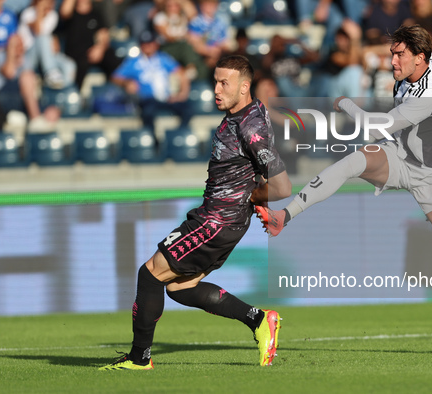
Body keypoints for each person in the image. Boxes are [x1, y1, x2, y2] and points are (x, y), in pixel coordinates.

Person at [256, 25, 432, 355]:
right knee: (353, 161)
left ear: (419, 59)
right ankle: (284, 215)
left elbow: (373, 125)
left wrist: (347, 104)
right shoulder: (423, 61)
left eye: (398, 55)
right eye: (392, 52)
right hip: (400, 156)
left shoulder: (430, 94)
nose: (392, 60)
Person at [99, 55, 292, 370]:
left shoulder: (250, 126)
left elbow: (282, 185)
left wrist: (255, 196)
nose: (215, 89)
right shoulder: (243, 114)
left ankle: (139, 358)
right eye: (214, 81)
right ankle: (258, 320)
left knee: (149, 275)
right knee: (179, 286)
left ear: (244, 87)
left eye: (223, 83)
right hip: (218, 217)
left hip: (218, 220)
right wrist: (256, 199)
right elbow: (254, 171)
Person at [111, 30, 191, 135]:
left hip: (167, 98)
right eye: (145, 44)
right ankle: (153, 140)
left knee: (188, 109)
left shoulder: (163, 59)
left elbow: (182, 74)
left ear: (155, 44)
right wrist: (126, 82)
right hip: (148, 99)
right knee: (148, 112)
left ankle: (178, 136)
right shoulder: (134, 62)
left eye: (150, 43)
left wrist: (182, 93)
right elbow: (115, 77)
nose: (148, 46)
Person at [0, 34, 60, 131]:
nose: (19, 48)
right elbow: (9, 73)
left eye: (20, 45)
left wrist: (47, 109)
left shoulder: (25, 60)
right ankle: (36, 120)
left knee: (50, 109)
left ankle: (37, 126)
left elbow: (28, 91)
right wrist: (11, 54)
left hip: (16, 96)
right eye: (15, 45)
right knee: (26, 77)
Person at [59, 0, 123, 90]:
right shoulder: (71, 14)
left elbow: (104, 35)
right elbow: (64, 12)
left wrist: (100, 48)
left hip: (92, 51)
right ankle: (75, 93)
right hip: (75, 55)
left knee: (111, 56)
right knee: (81, 64)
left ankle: (119, 89)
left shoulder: (96, 14)